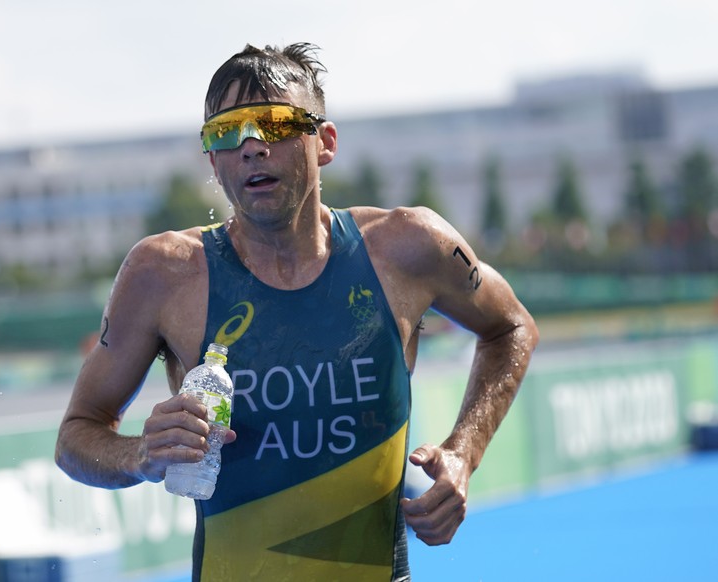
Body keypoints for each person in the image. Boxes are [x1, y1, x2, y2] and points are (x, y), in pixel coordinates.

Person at [56, 42, 539, 581]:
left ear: (324, 142)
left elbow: (512, 326)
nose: (252, 146)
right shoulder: (163, 274)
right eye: (226, 132)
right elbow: (76, 437)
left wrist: (462, 454)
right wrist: (142, 455)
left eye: (275, 124)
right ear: (212, 161)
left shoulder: (407, 247)